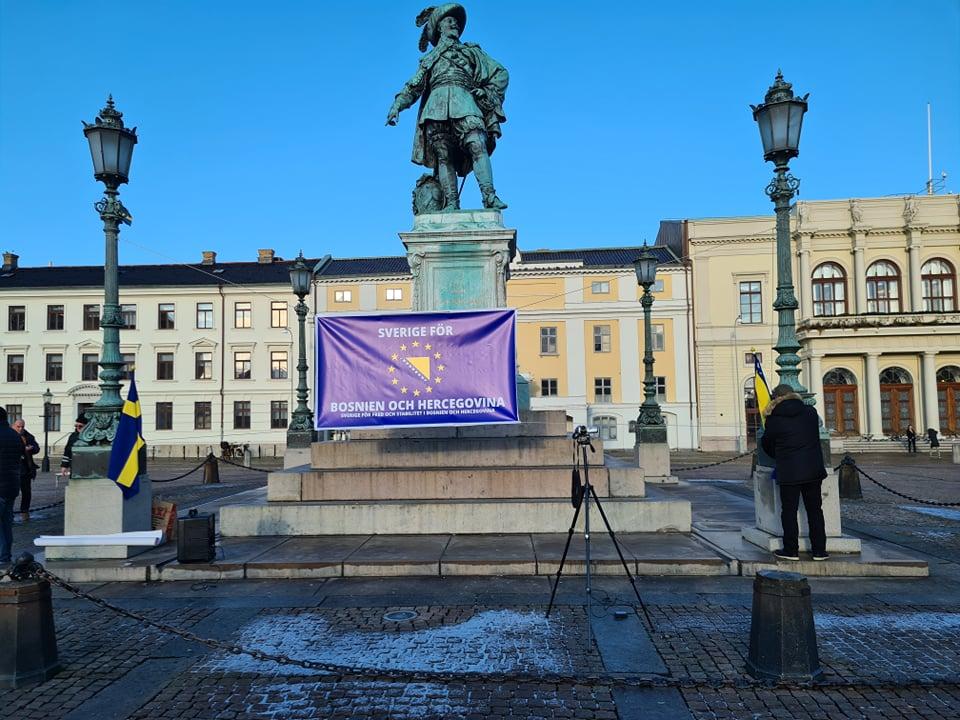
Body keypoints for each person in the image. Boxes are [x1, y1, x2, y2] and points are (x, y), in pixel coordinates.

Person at [387, 3, 509, 212]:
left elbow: (501, 73)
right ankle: (451, 203)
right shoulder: (429, 59)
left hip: (465, 101)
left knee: (477, 144)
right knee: (444, 155)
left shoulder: (471, 52)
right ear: (439, 28)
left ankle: (489, 197)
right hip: (435, 106)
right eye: (449, 21)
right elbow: (414, 86)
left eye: (456, 22)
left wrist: (486, 92)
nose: (455, 25)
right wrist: (397, 105)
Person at [761, 384, 829, 561]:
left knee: (789, 511)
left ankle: (791, 550)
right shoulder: (810, 413)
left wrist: (780, 454)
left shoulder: (773, 418)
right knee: (815, 510)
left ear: (776, 398)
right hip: (813, 469)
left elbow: (767, 444)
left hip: (789, 470)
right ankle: (819, 551)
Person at [0, 406, 23, 567]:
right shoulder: (14, 435)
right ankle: (6, 554)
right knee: (7, 522)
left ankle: (2, 555)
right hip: (12, 484)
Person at [11, 419, 39, 520]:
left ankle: (25, 511)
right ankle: (10, 513)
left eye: (22, 426)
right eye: (18, 426)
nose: (21, 429)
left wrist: (32, 448)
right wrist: (22, 450)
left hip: (26, 469)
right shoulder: (9, 435)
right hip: (13, 469)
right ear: (13, 425)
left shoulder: (28, 436)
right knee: (12, 492)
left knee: (26, 492)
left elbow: (36, 448)